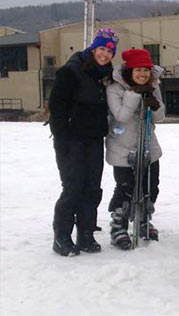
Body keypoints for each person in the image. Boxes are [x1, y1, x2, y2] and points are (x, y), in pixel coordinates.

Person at [48, 28, 118, 256]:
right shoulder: (72, 71)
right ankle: (62, 237)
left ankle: (86, 234)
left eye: (109, 51)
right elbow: (56, 108)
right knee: (73, 187)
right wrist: (62, 137)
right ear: (93, 48)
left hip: (94, 138)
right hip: (71, 139)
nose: (105, 54)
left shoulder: (105, 75)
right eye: (101, 49)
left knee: (92, 188)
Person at [105, 48, 166, 250]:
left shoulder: (153, 86)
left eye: (146, 70)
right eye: (138, 70)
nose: (143, 74)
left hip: (148, 146)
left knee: (151, 186)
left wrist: (154, 105)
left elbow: (160, 118)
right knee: (126, 188)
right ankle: (119, 226)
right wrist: (133, 96)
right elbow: (121, 115)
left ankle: (142, 219)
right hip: (122, 148)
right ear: (130, 71)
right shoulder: (115, 88)